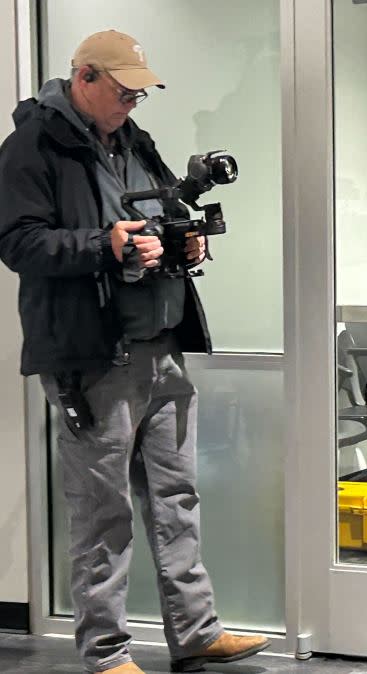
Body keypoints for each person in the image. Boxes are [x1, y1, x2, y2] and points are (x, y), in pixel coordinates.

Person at [0, 30, 269, 674]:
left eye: (138, 95)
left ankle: (196, 632)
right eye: (123, 92)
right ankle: (106, 651)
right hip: (94, 356)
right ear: (84, 78)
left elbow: (159, 216)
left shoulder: (132, 141)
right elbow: (19, 244)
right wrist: (104, 244)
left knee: (177, 496)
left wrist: (185, 243)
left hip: (162, 345)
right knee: (104, 511)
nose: (131, 104)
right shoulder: (33, 146)